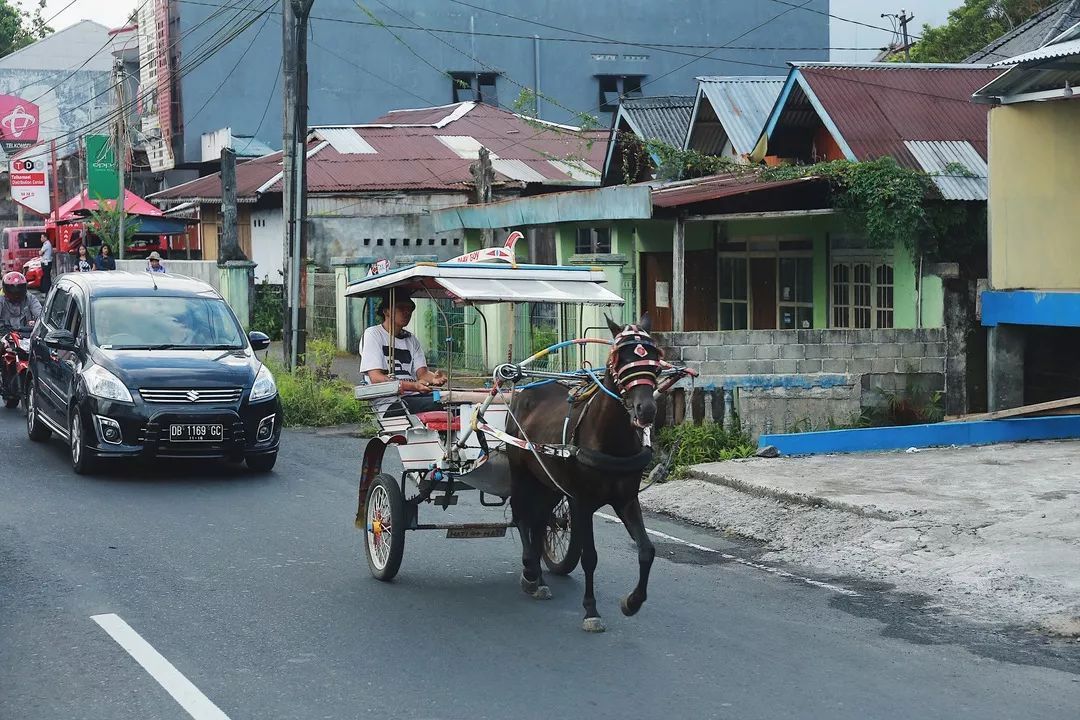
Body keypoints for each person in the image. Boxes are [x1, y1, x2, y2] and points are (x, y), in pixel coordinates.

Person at [358, 293, 446, 417]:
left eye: (409, 309)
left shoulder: (411, 339)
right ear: (386, 311)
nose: (407, 312)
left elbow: (422, 373)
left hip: (414, 398)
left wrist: (434, 378)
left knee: (452, 401)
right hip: (389, 403)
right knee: (438, 404)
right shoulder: (373, 334)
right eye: (401, 308)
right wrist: (413, 386)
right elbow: (376, 378)